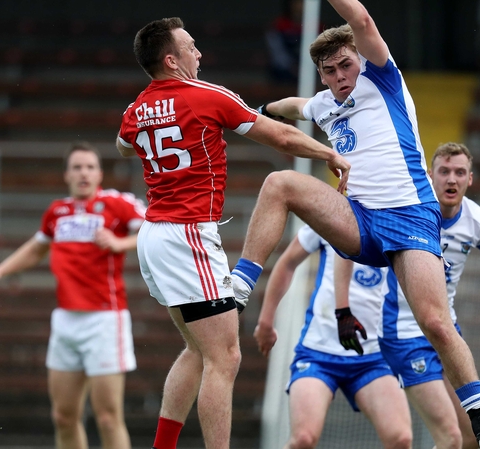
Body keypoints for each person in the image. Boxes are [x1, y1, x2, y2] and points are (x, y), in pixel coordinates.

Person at [231, 0, 480, 447]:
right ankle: (240, 287)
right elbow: (292, 106)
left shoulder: (382, 77)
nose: (341, 76)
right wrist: (256, 108)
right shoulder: (323, 103)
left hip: (410, 214)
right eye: (330, 71)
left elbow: (359, 19)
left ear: (360, 59)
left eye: (346, 65)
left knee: (436, 324)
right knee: (279, 183)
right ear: (322, 75)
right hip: (359, 220)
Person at [116, 17, 350, 449]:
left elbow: (123, 144)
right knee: (225, 358)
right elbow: (281, 138)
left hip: (155, 236)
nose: (198, 53)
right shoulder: (206, 95)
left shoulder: (135, 109)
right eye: (190, 46)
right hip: (187, 236)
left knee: (198, 351)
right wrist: (328, 153)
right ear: (171, 60)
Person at [372, 142, 480, 449]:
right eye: (445, 171)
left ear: (470, 179)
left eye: (460, 172)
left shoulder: (477, 221)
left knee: (470, 438)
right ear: (430, 175)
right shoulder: (409, 211)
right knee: (450, 438)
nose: (452, 179)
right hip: (404, 333)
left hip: (446, 333)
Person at [0, 142, 145, 449]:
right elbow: (37, 248)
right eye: (77, 167)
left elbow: (155, 230)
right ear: (66, 175)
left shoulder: (118, 203)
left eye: (90, 167)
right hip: (66, 319)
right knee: (63, 416)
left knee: (108, 417)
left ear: (100, 174)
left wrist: (120, 243)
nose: (83, 173)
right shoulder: (57, 211)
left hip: (105, 319)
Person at [253, 225, 411, 449]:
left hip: (374, 356)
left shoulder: (396, 220)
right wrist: (266, 322)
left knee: (401, 439)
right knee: (303, 439)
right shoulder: (328, 217)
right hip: (319, 352)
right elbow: (288, 262)